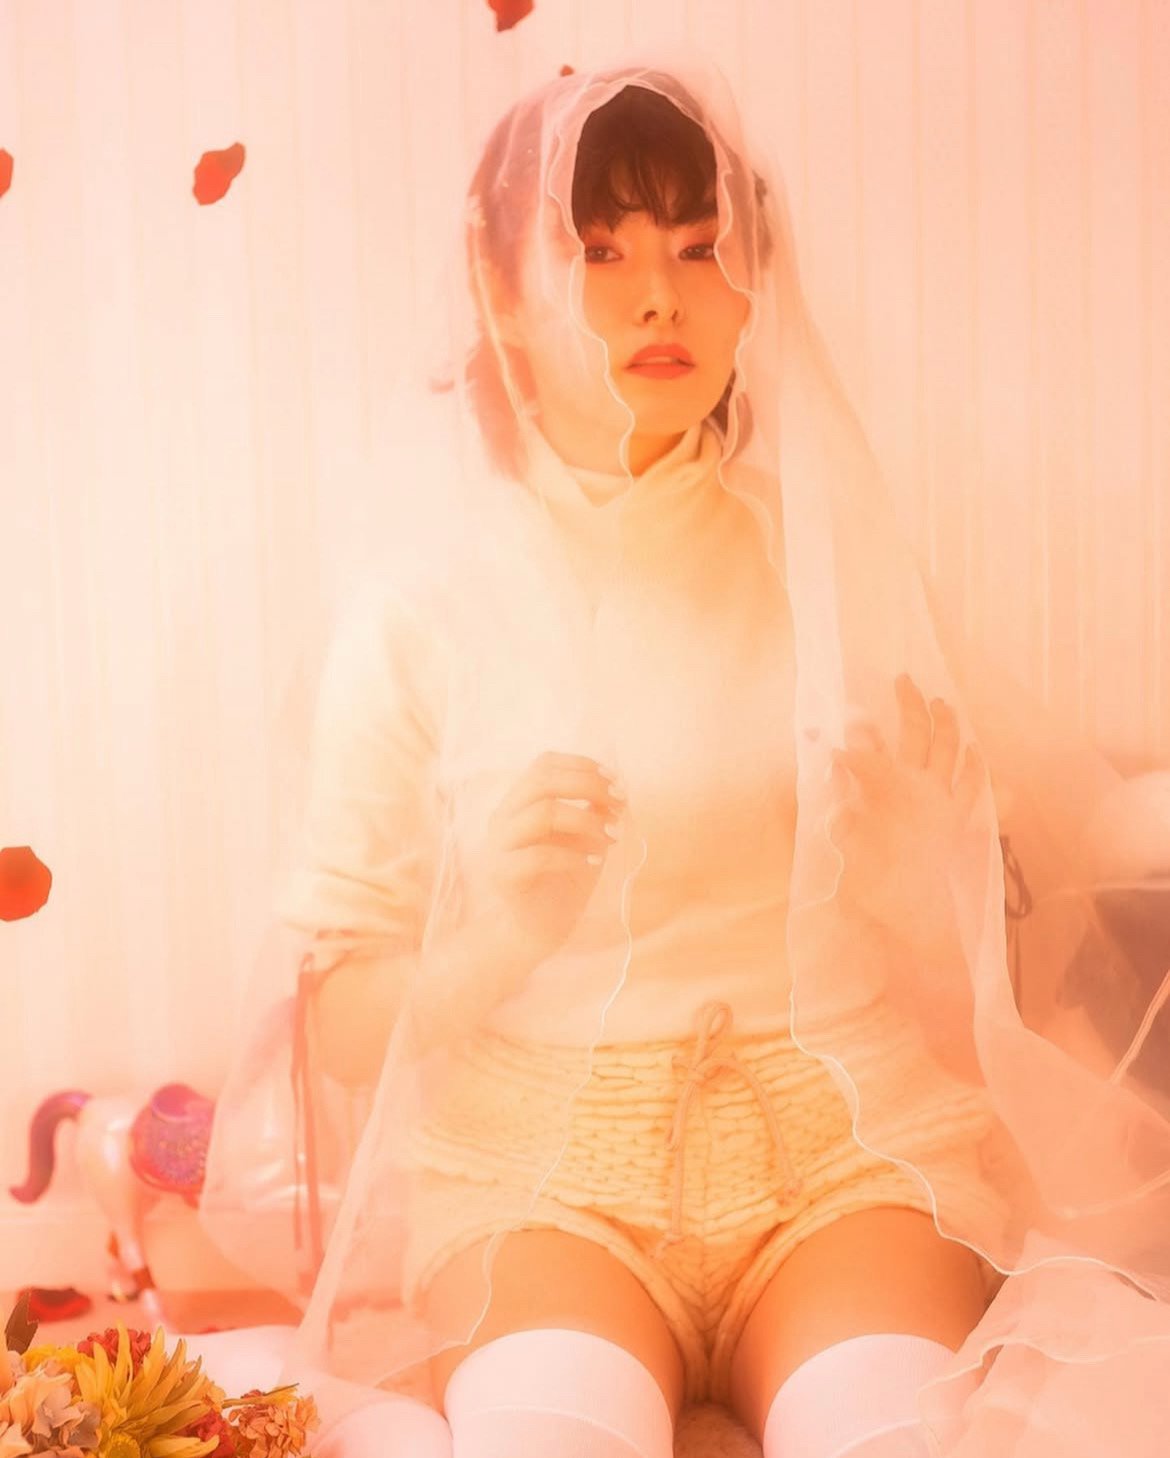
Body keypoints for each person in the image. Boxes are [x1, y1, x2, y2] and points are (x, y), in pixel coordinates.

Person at [200, 54, 1170, 1457]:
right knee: (548, 1437)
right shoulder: (419, 611)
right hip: (542, 1170)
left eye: (700, 247)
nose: (659, 296)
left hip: (842, 1141)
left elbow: (987, 976)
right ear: (501, 292)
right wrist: (501, 930)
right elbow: (339, 1029)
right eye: (597, 252)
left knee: (879, 1432)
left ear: (752, 283)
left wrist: (927, 882)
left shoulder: (833, 566)